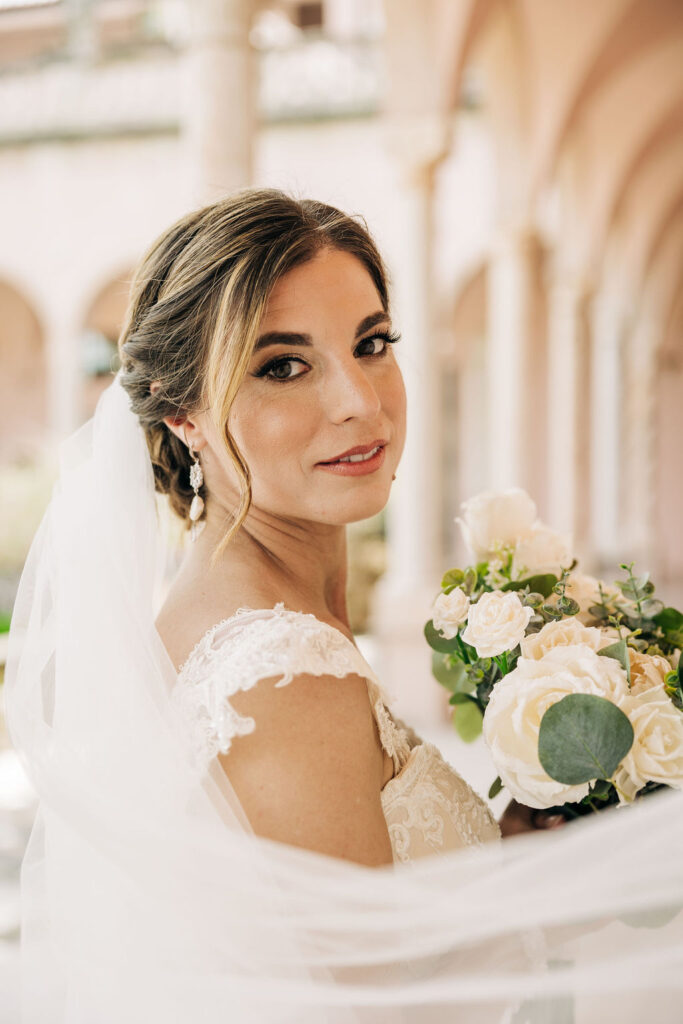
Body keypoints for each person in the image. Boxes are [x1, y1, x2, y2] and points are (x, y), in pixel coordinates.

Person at [4, 187, 683, 1022]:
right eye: (282, 365)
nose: (359, 399)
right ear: (184, 415)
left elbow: (345, 935)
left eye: (371, 344)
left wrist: (500, 857)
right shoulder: (283, 676)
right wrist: (548, 903)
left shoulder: (248, 623)